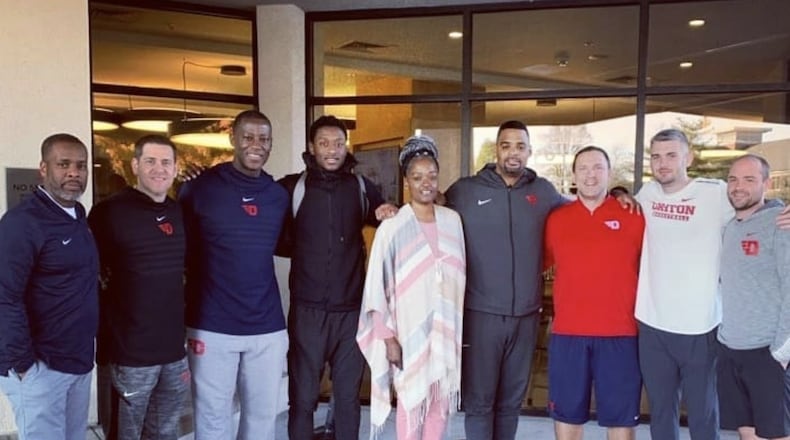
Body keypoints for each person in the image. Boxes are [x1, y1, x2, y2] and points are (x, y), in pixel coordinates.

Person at [444, 120, 566, 440]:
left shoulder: (543, 191)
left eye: (520, 146)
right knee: (480, 403)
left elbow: (580, 209)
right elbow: (427, 211)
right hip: (480, 315)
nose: (513, 153)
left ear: (529, 151)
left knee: (511, 403)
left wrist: (618, 196)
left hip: (526, 316)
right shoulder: (465, 191)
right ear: (496, 150)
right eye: (506, 145)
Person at [276, 115, 395, 440]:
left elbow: (389, 218)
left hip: (351, 313)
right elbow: (262, 222)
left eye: (338, 144)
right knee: (302, 399)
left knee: (347, 400)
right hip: (308, 312)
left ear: (346, 146)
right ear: (312, 147)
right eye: (324, 143)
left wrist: (389, 212)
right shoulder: (292, 188)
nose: (332, 150)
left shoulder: (360, 187)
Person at [178, 109, 289, 440]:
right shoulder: (199, 188)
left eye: (264, 139)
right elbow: (180, 250)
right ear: (232, 139)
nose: (256, 145)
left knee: (262, 420)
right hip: (212, 325)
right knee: (213, 419)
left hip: (267, 326)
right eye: (248, 137)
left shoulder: (277, 196)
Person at [357, 135, 466, 439]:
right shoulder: (392, 227)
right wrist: (388, 339)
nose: (425, 183)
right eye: (417, 177)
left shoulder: (453, 221)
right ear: (407, 181)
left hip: (445, 333)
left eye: (431, 175)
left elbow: (458, 279)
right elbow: (376, 287)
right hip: (406, 334)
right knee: (411, 403)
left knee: (438, 404)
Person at [88, 134, 189, 440]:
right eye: (150, 161)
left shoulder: (180, 212)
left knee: (166, 432)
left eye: (166, 162)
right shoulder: (108, 213)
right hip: (128, 355)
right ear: (135, 165)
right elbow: (91, 278)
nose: (159, 169)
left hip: (174, 352)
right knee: (125, 434)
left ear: (175, 168)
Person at [635, 128, 731, 440]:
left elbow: (754, 209)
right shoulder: (647, 193)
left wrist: (778, 209)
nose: (662, 163)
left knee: (703, 414)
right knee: (661, 413)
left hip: (699, 326)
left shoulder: (715, 192)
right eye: (656, 156)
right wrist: (620, 193)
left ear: (688, 158)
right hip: (652, 323)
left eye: (671, 155)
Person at [0, 133, 98, 440]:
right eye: (63, 164)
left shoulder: (77, 216)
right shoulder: (22, 222)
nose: (74, 173)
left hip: (77, 361)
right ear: (43, 169)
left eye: (81, 165)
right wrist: (24, 366)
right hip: (41, 368)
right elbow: (5, 296)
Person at [543, 146, 645, 440]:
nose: (591, 175)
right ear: (574, 176)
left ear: (609, 174)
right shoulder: (556, 219)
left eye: (598, 167)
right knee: (567, 418)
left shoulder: (634, 216)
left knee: (620, 420)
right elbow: (538, 264)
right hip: (568, 335)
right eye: (584, 168)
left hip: (620, 334)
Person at [717, 154, 789, 440]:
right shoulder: (729, 227)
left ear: (766, 184)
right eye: (733, 179)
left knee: (777, 435)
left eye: (749, 179)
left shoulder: (781, 223)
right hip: (731, 348)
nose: (739, 187)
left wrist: (782, 352)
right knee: (747, 433)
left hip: (768, 352)